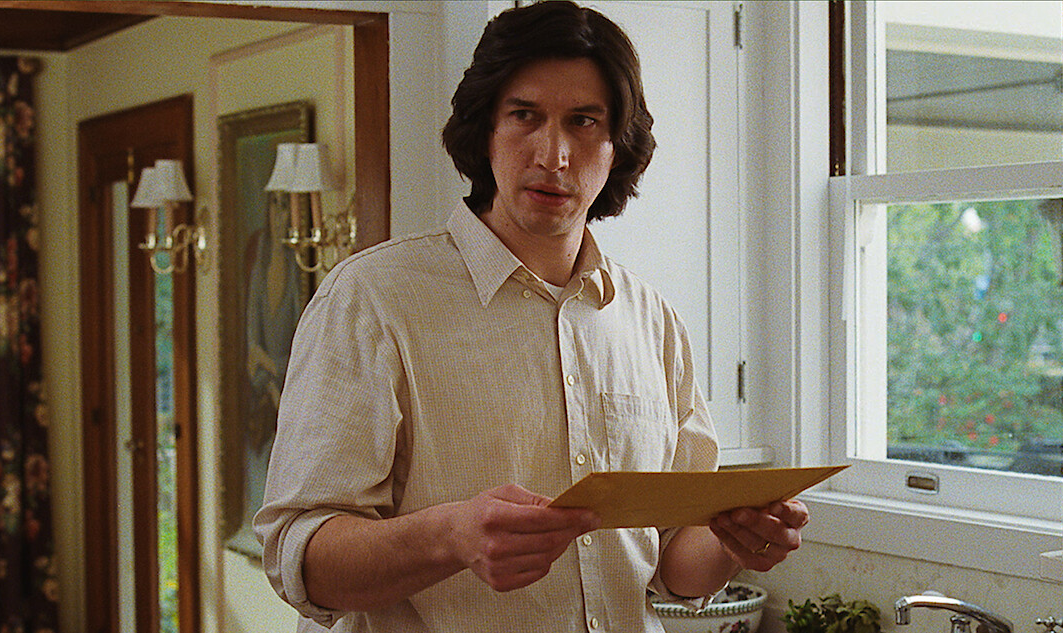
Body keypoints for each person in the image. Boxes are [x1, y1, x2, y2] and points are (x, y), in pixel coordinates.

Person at [254, 2, 809, 632]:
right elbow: (299, 560)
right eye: (525, 116)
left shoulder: (652, 322)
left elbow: (672, 569)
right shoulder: (372, 298)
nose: (554, 155)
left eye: (583, 122)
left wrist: (733, 542)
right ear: (485, 129)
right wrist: (452, 537)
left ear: (617, 145)